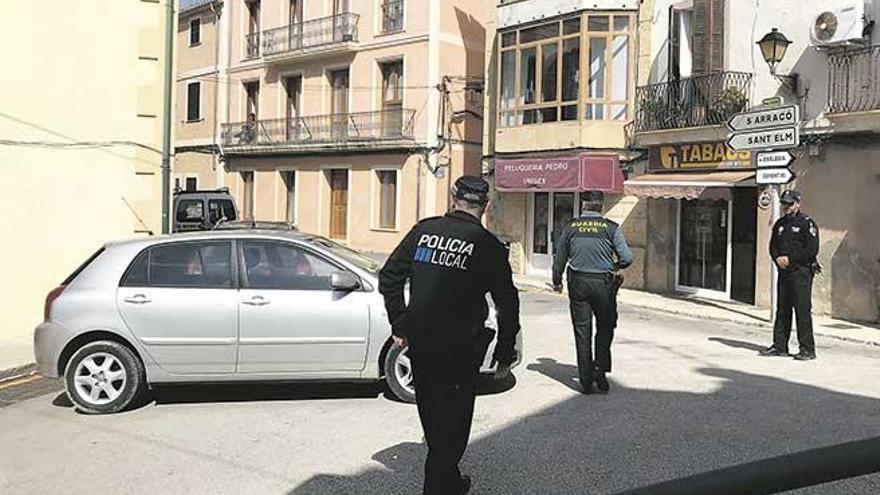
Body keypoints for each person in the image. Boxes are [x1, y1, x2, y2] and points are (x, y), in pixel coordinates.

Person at [379, 175, 521, 495]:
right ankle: (441, 485)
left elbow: (389, 277)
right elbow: (508, 304)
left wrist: (400, 326)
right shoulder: (488, 246)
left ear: (453, 199)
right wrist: (504, 352)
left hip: (422, 345)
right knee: (453, 426)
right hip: (460, 349)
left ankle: (450, 481)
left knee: (433, 418)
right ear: (485, 206)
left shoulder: (423, 231)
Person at [552, 191, 633, 394]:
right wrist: (614, 266)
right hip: (603, 284)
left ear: (584, 206)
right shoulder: (611, 228)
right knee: (605, 328)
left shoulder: (571, 227)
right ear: (601, 206)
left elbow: (560, 257)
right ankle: (600, 370)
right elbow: (627, 258)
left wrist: (557, 281)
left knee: (582, 331)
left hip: (578, 283)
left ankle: (586, 380)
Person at [761, 190, 820, 361]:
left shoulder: (806, 224)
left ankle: (807, 349)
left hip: (801, 272)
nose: (786, 207)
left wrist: (790, 259)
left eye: (790, 204)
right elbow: (773, 246)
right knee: (782, 309)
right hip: (784, 272)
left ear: (798, 203)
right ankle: (780, 346)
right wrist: (778, 258)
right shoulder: (780, 224)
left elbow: (811, 250)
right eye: (784, 204)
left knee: (802, 311)